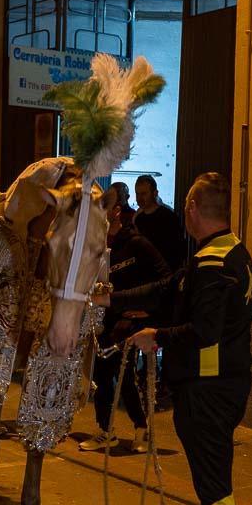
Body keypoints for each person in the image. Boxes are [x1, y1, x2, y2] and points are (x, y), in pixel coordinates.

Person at [132, 172, 252, 505]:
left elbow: (203, 332)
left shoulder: (213, 265)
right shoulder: (229, 252)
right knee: (212, 488)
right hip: (219, 386)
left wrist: (157, 336)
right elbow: (172, 288)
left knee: (216, 491)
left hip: (209, 392)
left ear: (194, 210)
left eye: (187, 206)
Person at [79, 192, 170, 453]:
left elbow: (165, 279)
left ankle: (135, 428)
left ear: (116, 211)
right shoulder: (97, 244)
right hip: (103, 320)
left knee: (117, 373)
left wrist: (143, 310)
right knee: (105, 374)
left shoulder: (137, 243)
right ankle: (117, 429)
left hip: (127, 322)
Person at [134, 174, 186, 272]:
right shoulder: (138, 218)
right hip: (144, 274)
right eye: (137, 194)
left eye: (144, 194)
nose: (139, 198)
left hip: (165, 273)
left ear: (155, 193)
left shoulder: (168, 216)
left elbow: (179, 249)